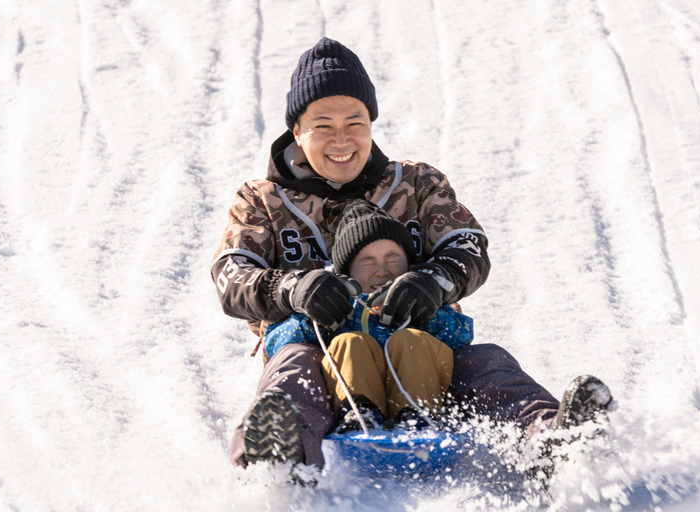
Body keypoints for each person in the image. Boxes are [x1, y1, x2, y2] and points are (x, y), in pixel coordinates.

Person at [211, 37, 613, 471]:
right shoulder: (263, 201)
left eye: (356, 122)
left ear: (371, 123)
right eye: (322, 124)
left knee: (488, 366)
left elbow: (468, 244)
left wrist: (433, 281)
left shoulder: (415, 185)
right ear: (297, 131)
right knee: (293, 374)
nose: (341, 138)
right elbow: (231, 274)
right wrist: (290, 286)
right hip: (319, 349)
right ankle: (276, 461)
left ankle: (552, 444)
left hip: (424, 346)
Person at [263, 199, 475, 432]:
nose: (382, 270)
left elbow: (461, 336)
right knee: (349, 341)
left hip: (420, 396)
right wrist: (316, 321)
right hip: (351, 398)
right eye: (367, 262)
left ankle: (418, 417)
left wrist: (425, 315)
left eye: (393, 259)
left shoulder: (420, 301)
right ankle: (359, 415)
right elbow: (276, 343)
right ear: (348, 272)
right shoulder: (336, 306)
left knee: (411, 339)